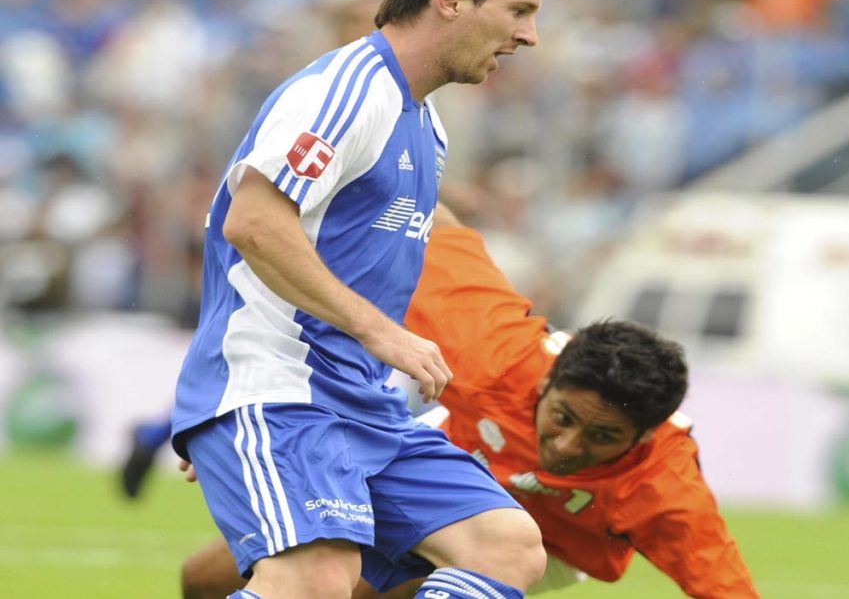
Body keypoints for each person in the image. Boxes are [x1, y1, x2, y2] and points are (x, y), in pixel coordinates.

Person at [170, 0, 556, 599]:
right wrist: (238, 412)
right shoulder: (346, 91)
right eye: (518, 11)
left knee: (506, 546)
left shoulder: (425, 124)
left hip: (361, 404)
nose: (528, 36)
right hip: (282, 389)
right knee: (317, 581)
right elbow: (253, 222)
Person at [179, 204, 761, 598]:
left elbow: (728, 588)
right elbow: (427, 218)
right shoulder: (493, 349)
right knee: (205, 579)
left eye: (602, 439)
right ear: (545, 383)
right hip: (440, 456)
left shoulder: (666, 490)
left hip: (550, 544)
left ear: (643, 437)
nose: (565, 446)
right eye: (562, 418)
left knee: (358, 590)